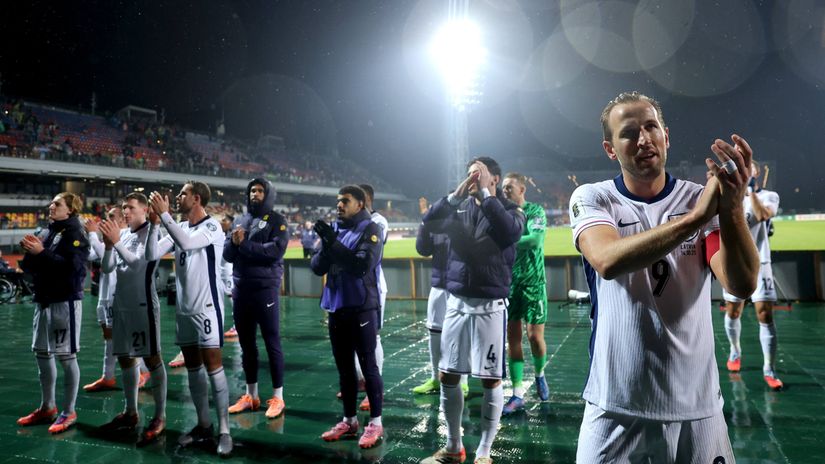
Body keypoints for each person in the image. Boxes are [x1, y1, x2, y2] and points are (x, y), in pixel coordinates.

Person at [569, 91, 759, 462]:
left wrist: (732, 208)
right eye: (628, 133)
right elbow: (606, 259)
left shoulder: (697, 199)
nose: (643, 139)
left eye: (651, 127)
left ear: (666, 136)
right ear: (611, 149)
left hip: (698, 410)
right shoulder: (593, 198)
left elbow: (741, 284)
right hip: (616, 408)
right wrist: (695, 220)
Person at [420, 157, 525, 464]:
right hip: (455, 304)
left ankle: (484, 452)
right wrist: (453, 197)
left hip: (489, 307)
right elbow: (428, 229)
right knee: (448, 376)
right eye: (469, 174)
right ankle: (454, 448)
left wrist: (487, 198)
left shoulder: (509, 210)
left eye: (478, 173)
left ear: (494, 178)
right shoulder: (459, 207)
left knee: (490, 379)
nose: (472, 178)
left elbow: (510, 233)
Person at [146, 182, 233, 456]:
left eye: (183, 194)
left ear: (196, 199)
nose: (178, 197)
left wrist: (164, 215)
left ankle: (224, 430)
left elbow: (187, 244)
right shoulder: (179, 226)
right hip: (183, 310)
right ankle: (203, 425)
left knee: (213, 366)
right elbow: (151, 254)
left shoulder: (212, 227)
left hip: (207, 307)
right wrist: (152, 225)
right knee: (193, 368)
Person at [311, 185, 385, 449]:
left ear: (361, 204)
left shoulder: (371, 229)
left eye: (345, 201)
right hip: (336, 307)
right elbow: (317, 266)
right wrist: (325, 244)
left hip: (361, 306)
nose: (339, 205)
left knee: (368, 367)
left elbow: (360, 265)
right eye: (338, 201)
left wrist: (331, 242)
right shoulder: (336, 228)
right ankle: (349, 420)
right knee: (345, 369)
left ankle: (375, 422)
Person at [17, 192, 90, 434]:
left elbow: (72, 269)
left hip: (64, 302)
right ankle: (47, 406)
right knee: (41, 354)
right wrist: (29, 253)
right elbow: (30, 266)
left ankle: (69, 411)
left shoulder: (75, 234)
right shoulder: (47, 231)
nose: (51, 206)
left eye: (57, 203)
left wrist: (42, 253)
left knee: (66, 357)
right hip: (44, 301)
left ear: (70, 209)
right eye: (51, 202)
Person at [98, 192, 167, 443]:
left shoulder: (151, 233)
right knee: (126, 359)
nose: (125, 211)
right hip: (121, 305)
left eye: (130, 207)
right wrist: (108, 246)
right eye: (124, 207)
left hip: (142, 305)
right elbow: (107, 268)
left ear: (144, 209)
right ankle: (130, 412)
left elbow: (139, 264)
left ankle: (160, 415)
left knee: (151, 358)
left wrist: (115, 243)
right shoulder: (124, 233)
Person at [223, 178, 289, 419]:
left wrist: (245, 245)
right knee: (246, 345)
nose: (255, 194)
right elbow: (228, 255)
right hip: (241, 289)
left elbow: (275, 251)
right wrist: (233, 242)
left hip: (265, 289)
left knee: (272, 343)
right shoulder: (240, 221)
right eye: (252, 190)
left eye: (260, 190)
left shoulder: (278, 221)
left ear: (269, 194)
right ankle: (251, 395)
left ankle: (278, 398)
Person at [722, 160, 783, 389]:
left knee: (765, 315)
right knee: (733, 311)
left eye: (751, 170)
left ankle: (769, 367)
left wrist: (751, 192)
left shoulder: (769, 196)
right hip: (737, 262)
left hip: (762, 261)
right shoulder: (731, 197)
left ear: (755, 174)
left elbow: (763, 214)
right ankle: (735, 351)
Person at [500, 172, 549, 415]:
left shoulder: (535, 211)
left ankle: (540, 374)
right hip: (509, 285)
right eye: (503, 187)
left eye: (510, 187)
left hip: (533, 283)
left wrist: (505, 239)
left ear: (522, 189)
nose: (505, 190)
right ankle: (517, 393)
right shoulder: (503, 214)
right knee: (513, 341)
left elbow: (535, 240)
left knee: (534, 338)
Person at [411, 206, 469, 398]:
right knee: (435, 332)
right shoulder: (435, 224)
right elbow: (422, 249)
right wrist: (424, 225)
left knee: (460, 334)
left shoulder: (467, 221)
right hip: (438, 284)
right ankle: (435, 377)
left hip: (460, 285)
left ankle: (463, 380)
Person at [350, 183, 387, 411]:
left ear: (366, 200)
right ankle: (361, 382)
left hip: (373, 286)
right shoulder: (351, 223)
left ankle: (376, 387)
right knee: (353, 337)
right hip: (352, 287)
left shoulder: (379, 221)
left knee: (372, 337)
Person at [82, 207, 123, 392]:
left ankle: (143, 372)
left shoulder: (124, 236)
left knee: (125, 337)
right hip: (105, 294)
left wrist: (92, 234)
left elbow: (104, 253)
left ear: (122, 220)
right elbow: (91, 253)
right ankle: (108, 377)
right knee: (108, 336)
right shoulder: (107, 237)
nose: (107, 219)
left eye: (112, 216)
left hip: (119, 294)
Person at [220, 213, 238, 340]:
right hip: (219, 271)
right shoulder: (220, 233)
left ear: (231, 222)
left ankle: (237, 326)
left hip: (228, 270)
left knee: (232, 298)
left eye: (224, 220)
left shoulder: (234, 234)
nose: (222, 222)